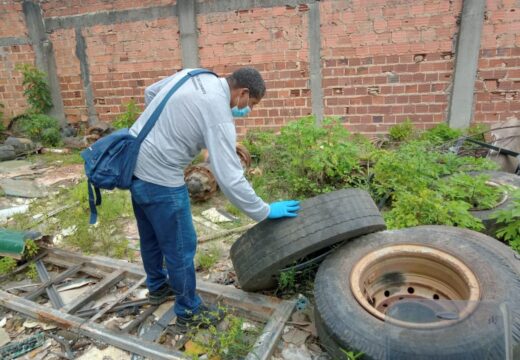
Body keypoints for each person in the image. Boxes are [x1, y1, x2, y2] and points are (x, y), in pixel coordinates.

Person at [129, 67, 300, 331]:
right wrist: (263, 211)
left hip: (134, 164)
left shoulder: (196, 74)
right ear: (242, 92)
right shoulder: (218, 113)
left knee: (150, 235)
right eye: (250, 104)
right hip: (162, 177)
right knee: (181, 245)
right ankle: (188, 310)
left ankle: (157, 288)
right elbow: (230, 177)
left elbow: (150, 92)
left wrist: (167, 132)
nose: (247, 110)